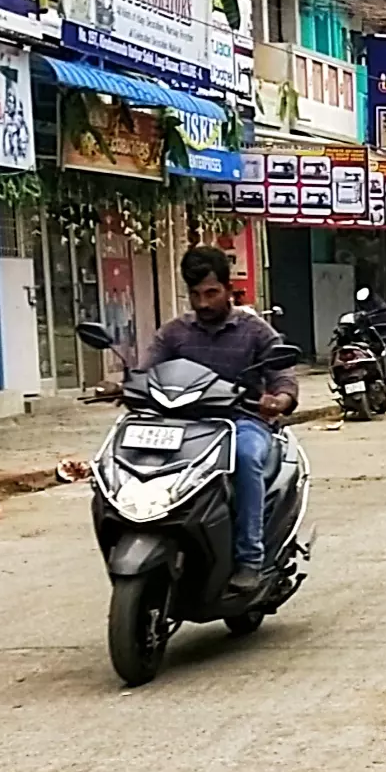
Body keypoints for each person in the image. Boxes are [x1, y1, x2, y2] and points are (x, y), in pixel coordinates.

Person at [145, 246, 295, 595]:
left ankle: (249, 559)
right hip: (185, 426)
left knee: (245, 457)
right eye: (195, 294)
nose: (203, 303)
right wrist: (122, 385)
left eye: (211, 293)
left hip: (241, 422)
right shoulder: (174, 333)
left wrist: (279, 400)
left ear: (229, 289)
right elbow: (144, 371)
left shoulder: (255, 331)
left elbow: (284, 377)